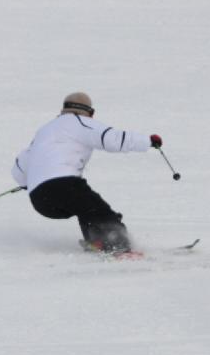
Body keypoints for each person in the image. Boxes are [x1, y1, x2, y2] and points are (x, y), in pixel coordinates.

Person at [11, 92, 163, 254]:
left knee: (86, 208)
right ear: (89, 112)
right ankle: (118, 247)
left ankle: (96, 241)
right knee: (100, 212)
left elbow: (19, 167)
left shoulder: (44, 130)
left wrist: (29, 183)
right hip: (64, 184)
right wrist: (147, 141)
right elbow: (112, 139)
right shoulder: (80, 122)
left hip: (40, 200)